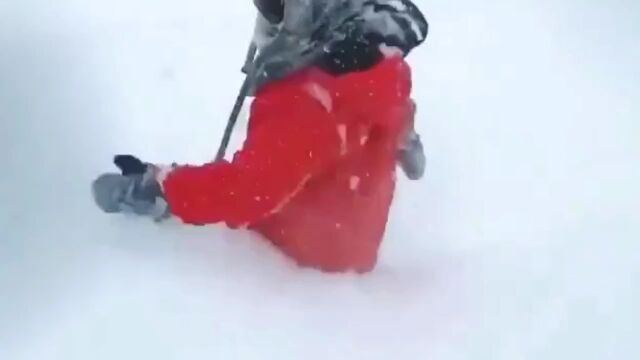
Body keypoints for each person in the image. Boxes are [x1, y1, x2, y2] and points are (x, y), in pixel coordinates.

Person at [92, 0, 428, 273]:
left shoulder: (307, 99)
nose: (269, 19)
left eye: (277, 6)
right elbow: (395, 114)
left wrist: (162, 187)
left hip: (297, 275)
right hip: (350, 252)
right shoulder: (378, 61)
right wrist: (404, 143)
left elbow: (247, 193)